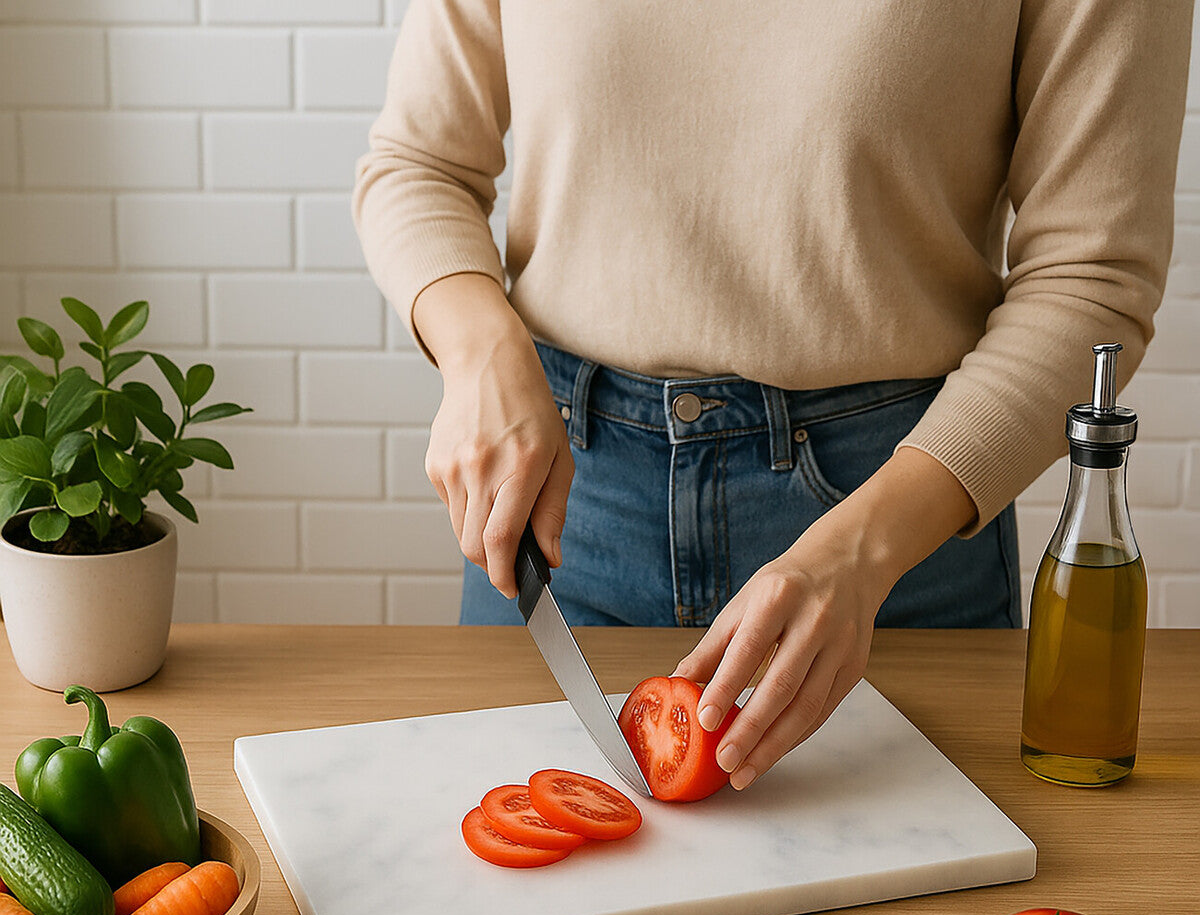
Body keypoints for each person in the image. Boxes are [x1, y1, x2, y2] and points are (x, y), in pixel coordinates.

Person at [354, 1, 1193, 791]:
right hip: (563, 498)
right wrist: (481, 349)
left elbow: (1093, 275)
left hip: (894, 522)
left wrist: (864, 554)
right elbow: (418, 165)